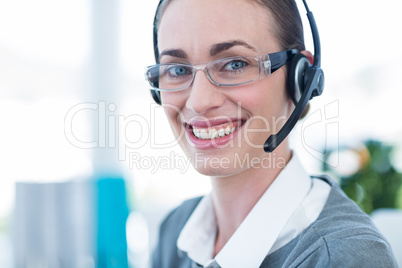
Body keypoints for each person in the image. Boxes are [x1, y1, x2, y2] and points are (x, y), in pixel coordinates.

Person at [144, 0, 398, 267]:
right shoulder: (176, 231)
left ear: (301, 78)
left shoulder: (343, 256)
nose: (198, 102)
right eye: (177, 70)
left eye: (235, 64)